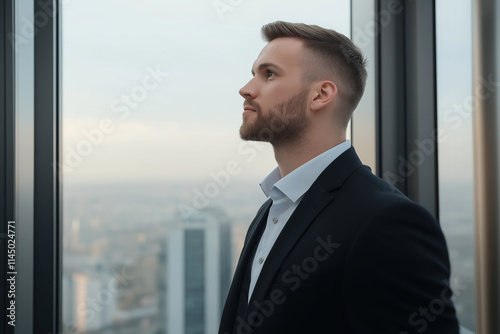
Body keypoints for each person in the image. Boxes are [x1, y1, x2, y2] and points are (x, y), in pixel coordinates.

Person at [219, 21, 459, 334]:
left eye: (269, 74)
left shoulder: (386, 221)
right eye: (254, 74)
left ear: (320, 95)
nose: (246, 88)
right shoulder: (272, 209)